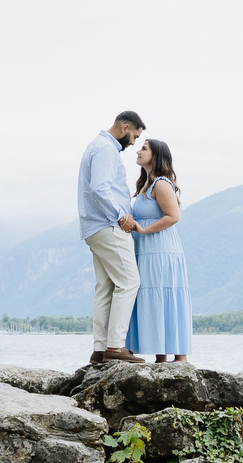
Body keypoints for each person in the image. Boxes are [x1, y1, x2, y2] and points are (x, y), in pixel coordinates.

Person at [77, 111, 148, 363]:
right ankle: (115, 347)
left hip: (94, 227)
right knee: (129, 282)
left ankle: (99, 349)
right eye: (134, 136)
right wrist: (121, 215)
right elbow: (100, 188)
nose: (133, 143)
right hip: (108, 225)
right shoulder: (106, 149)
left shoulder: (96, 146)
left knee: (105, 287)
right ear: (125, 127)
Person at [123, 137, 191, 363]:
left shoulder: (161, 183)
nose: (138, 152)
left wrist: (144, 230)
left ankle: (179, 358)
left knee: (164, 295)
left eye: (144, 149)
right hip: (146, 249)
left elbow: (174, 216)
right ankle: (161, 357)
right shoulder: (144, 184)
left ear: (156, 155)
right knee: (153, 297)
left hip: (161, 249)